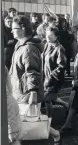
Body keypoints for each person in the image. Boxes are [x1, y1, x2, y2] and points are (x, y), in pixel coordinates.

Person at [9, 15, 61, 145]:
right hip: (20, 92)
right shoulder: (20, 45)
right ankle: (56, 134)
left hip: (27, 93)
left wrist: (33, 92)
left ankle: (55, 134)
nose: (11, 31)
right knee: (29, 121)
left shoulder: (28, 48)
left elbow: (32, 71)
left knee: (27, 122)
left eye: (13, 28)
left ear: (22, 28)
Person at [42, 26, 68, 117]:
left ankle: (49, 120)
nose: (48, 37)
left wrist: (50, 77)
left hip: (54, 78)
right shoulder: (46, 45)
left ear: (56, 36)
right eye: (47, 35)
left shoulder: (59, 48)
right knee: (51, 97)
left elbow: (61, 66)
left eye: (51, 36)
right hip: (45, 76)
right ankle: (67, 105)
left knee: (46, 98)